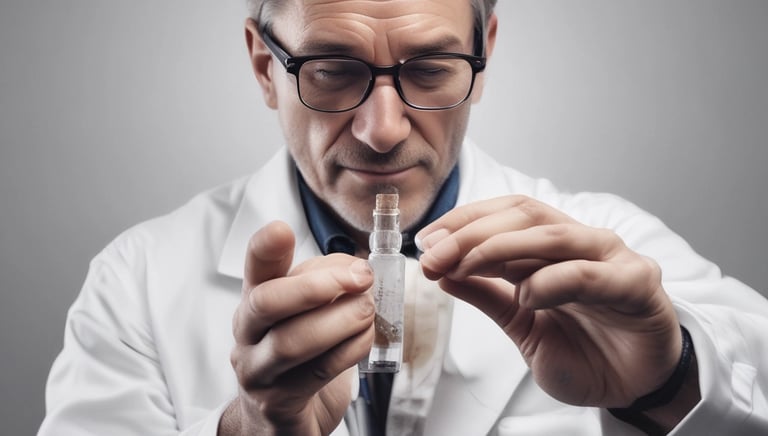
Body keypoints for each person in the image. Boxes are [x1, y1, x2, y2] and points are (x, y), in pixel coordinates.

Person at [39, 0, 768, 435]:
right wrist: (249, 430)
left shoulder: (609, 247)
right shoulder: (138, 279)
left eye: (429, 69)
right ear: (266, 66)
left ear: (483, 53)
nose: (383, 129)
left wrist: (668, 383)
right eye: (332, 69)